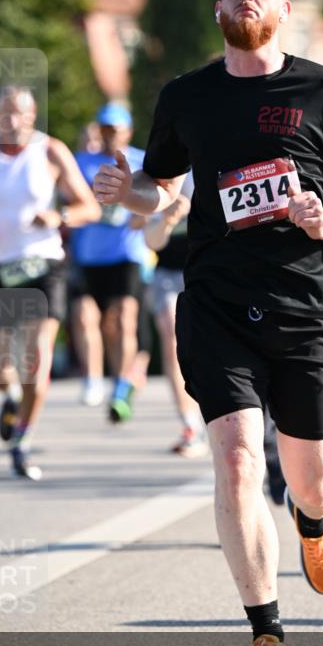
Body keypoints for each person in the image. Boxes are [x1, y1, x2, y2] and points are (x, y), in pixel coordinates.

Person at [93, 0, 323, 646]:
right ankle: (265, 630)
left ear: (284, 11)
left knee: (311, 482)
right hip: (217, 302)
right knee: (236, 461)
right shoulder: (186, 96)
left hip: (307, 305)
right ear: (219, 10)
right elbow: (159, 188)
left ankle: (312, 522)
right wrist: (124, 193)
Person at [0, 85, 100, 479]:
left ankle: (22, 439)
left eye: (20, 114)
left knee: (37, 356)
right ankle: (13, 396)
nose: (12, 121)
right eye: (5, 113)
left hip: (41, 263)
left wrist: (58, 217)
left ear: (33, 116)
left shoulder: (50, 151)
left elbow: (89, 207)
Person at [70, 102, 149, 419]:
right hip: (88, 255)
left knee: (122, 320)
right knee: (85, 316)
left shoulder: (142, 160)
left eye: (115, 129)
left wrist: (147, 216)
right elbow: (67, 197)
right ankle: (92, 379)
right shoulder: (81, 162)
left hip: (126, 253)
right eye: (104, 128)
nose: (109, 135)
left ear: (127, 131)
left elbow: (159, 198)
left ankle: (121, 384)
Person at [143, 173, 208, 457]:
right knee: (173, 340)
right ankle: (190, 424)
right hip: (168, 274)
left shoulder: (214, 163)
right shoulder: (161, 171)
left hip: (208, 272)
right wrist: (167, 221)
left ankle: (219, 415)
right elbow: (152, 241)